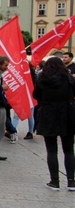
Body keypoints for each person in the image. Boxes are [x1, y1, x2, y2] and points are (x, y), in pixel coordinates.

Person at [33, 57, 75, 190]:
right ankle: (71, 181)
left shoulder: (42, 79)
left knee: (51, 150)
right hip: (67, 114)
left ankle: (54, 181)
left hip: (48, 113)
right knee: (69, 150)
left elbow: (36, 95)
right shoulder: (68, 78)